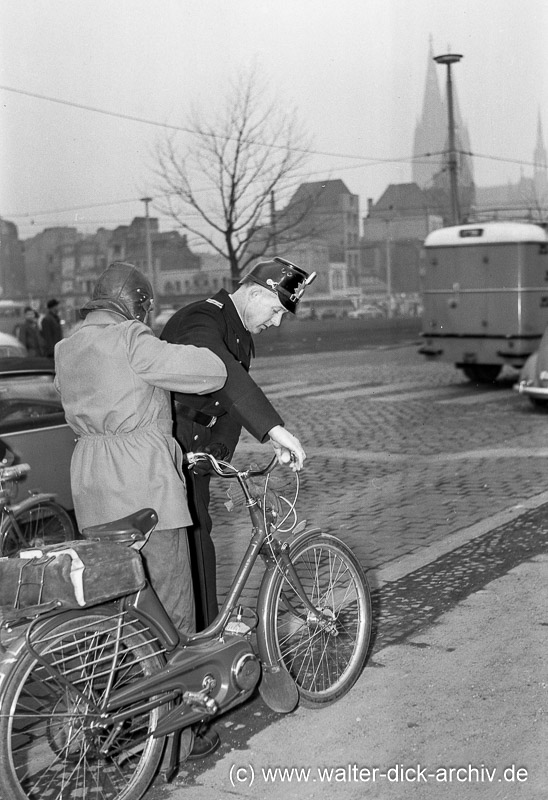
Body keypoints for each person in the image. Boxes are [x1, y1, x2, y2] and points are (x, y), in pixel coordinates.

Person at [54, 261, 228, 640]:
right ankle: (179, 687)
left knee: (120, 599)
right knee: (172, 600)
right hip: (144, 483)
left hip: (91, 488)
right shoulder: (131, 337)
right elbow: (212, 372)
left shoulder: (66, 348)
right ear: (138, 304)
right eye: (146, 310)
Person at [161, 256, 316, 631]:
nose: (276, 322)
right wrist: (274, 430)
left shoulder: (240, 332)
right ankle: (190, 633)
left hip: (195, 447)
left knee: (200, 534)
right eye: (277, 310)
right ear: (254, 290)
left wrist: (220, 449)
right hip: (168, 443)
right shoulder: (202, 317)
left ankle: (205, 626)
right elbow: (226, 375)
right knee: (184, 541)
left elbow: (226, 405)